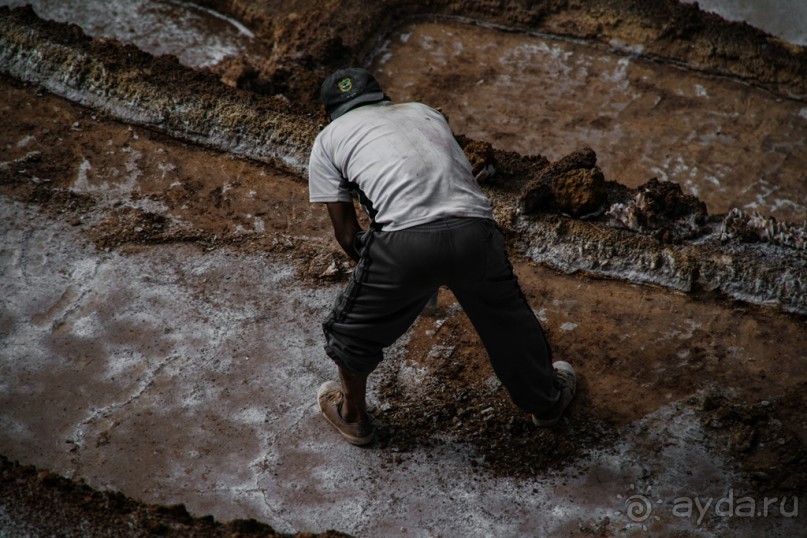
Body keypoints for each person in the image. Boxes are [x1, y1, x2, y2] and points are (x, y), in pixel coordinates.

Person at [308, 67, 576, 446]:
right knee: (508, 322)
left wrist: (400, 282)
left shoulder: (327, 139)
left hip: (404, 245)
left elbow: (349, 235)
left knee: (348, 333)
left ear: (331, 113)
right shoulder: (425, 111)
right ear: (382, 98)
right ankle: (546, 403)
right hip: (476, 231)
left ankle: (353, 417)